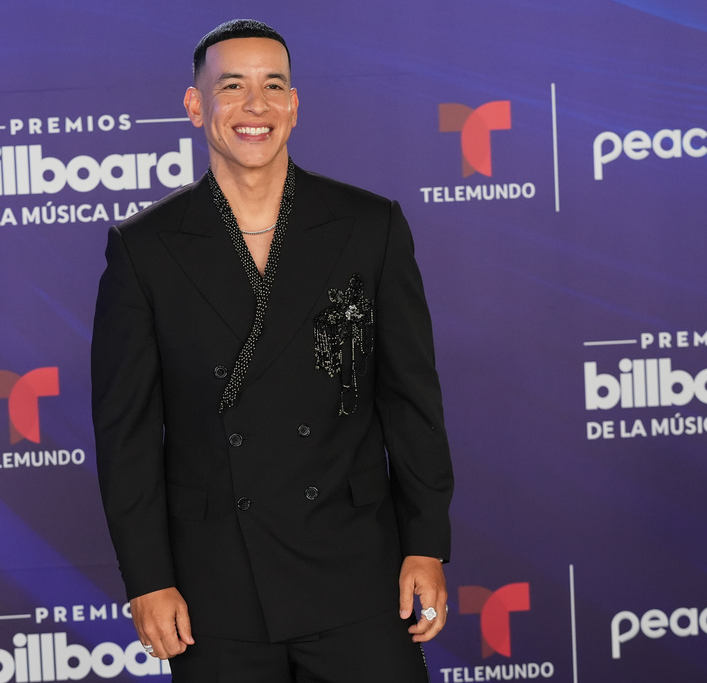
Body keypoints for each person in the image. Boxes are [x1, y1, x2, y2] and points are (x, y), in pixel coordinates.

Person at [91, 19, 454, 682]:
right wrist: (148, 577)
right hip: (216, 586)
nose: (255, 105)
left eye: (273, 85)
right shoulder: (145, 249)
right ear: (197, 105)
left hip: (357, 573)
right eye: (232, 86)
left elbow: (411, 401)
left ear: (294, 105)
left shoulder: (369, 227)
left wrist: (426, 544)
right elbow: (129, 436)